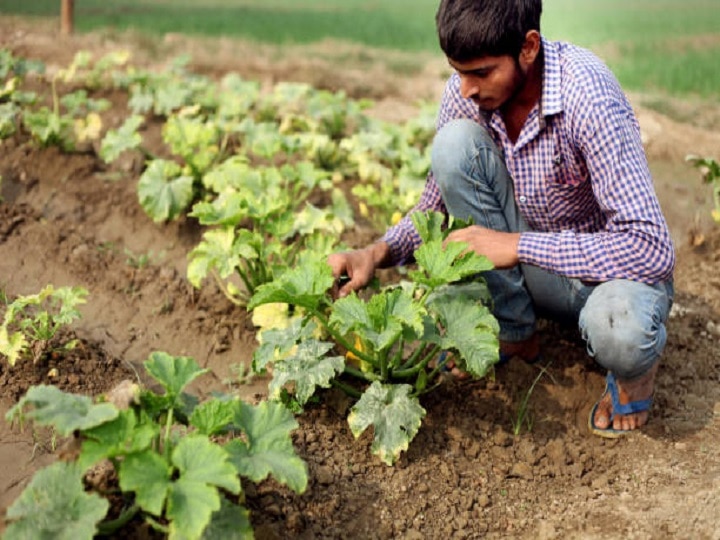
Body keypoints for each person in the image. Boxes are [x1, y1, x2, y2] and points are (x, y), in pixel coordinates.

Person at [327, 0, 675, 438]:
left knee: (623, 335)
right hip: (538, 272)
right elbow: (433, 205)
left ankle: (633, 376)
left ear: (528, 47)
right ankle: (515, 329)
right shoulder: (467, 93)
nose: (466, 88)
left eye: (481, 73)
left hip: (610, 280)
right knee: (452, 145)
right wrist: (376, 253)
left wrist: (514, 246)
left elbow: (650, 249)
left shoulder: (588, 96)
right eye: (458, 72)